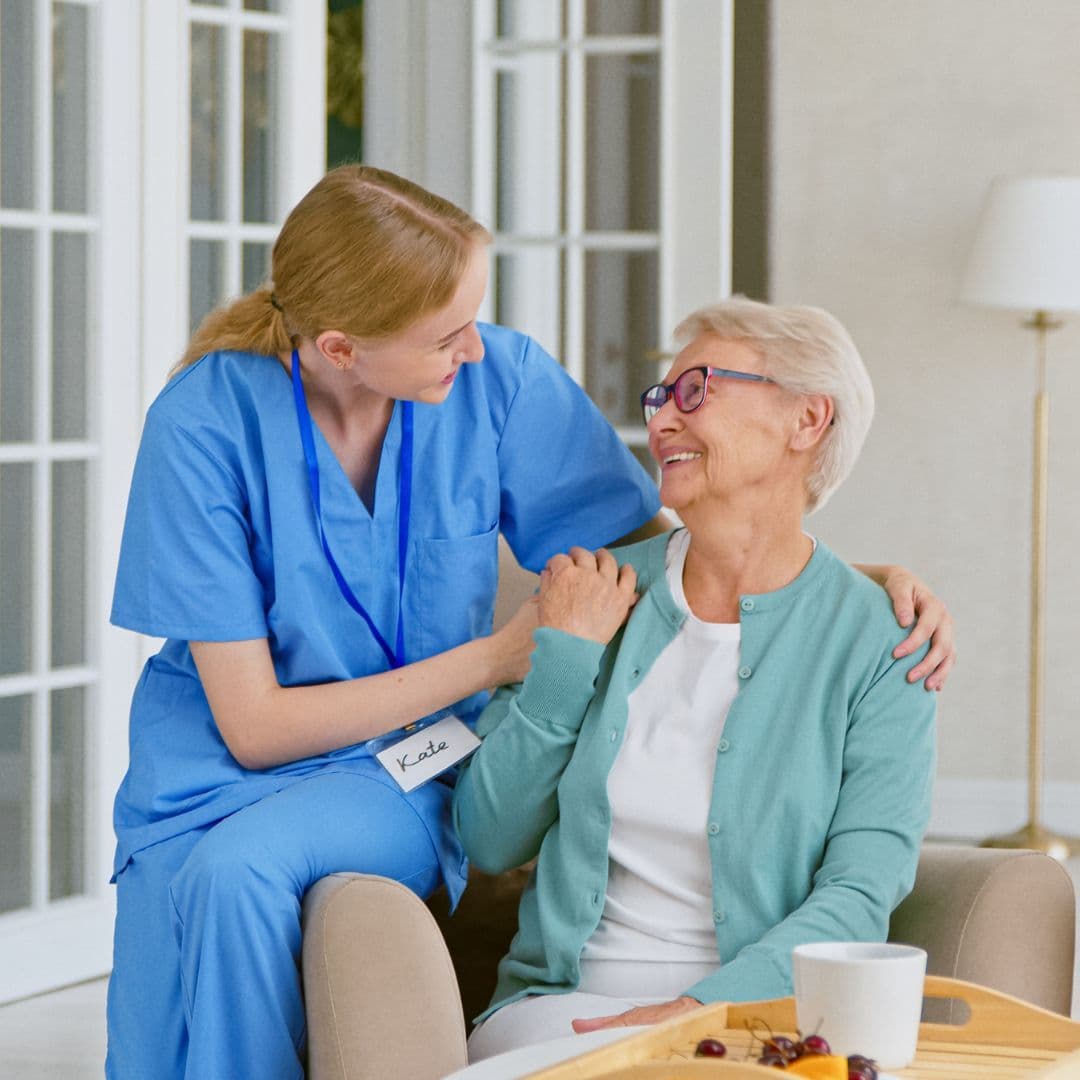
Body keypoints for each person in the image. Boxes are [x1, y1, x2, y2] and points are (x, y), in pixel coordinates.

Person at [106, 165, 949, 1079]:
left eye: (476, 314)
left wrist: (844, 585)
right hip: (218, 759)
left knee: (236, 878)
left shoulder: (498, 381)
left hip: (393, 765)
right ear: (344, 348)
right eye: (446, 333)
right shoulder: (203, 424)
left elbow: (665, 543)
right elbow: (255, 725)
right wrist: (501, 658)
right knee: (162, 1000)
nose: (476, 346)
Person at [455, 297, 938, 1061]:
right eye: (659, 398)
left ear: (807, 421)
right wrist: (565, 664)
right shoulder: (593, 594)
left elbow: (860, 889)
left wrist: (694, 1012)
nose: (661, 422)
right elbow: (488, 837)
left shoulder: (883, 643)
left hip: (763, 1020)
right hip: (564, 1012)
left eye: (696, 390)